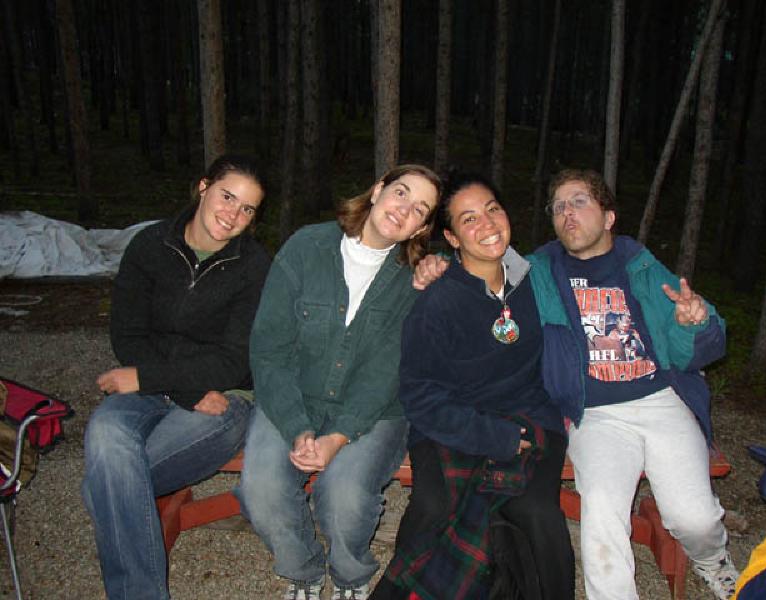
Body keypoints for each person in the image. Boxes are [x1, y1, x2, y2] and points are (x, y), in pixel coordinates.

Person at [413, 168, 739, 600]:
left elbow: (694, 350)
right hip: (593, 412)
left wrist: (693, 323)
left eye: (580, 201)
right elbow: (477, 261)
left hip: (661, 400)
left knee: (694, 519)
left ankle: (712, 558)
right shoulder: (537, 267)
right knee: (601, 518)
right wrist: (437, 263)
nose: (568, 213)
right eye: (559, 206)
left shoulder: (640, 265)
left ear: (608, 217)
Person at [237, 164, 441, 600]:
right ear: (378, 188)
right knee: (262, 488)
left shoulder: (414, 278)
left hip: (376, 410)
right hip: (294, 395)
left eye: (419, 208)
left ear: (421, 227)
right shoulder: (307, 246)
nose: (404, 209)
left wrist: (338, 435)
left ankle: (351, 576)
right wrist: (296, 426)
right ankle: (303, 570)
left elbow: (388, 371)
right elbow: (269, 348)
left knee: (344, 496)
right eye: (401, 193)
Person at [371, 172, 574, 600]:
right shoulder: (438, 299)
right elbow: (420, 396)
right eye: (469, 219)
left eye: (492, 210)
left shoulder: (538, 278)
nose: (486, 225)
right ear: (452, 236)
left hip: (531, 420)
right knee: (435, 506)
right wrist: (493, 437)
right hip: (452, 422)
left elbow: (589, 254)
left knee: (537, 513)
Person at [81, 154, 270, 600]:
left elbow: (234, 362)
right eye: (228, 197)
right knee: (107, 434)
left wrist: (146, 378)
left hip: (222, 399)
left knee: (105, 486)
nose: (234, 215)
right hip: (158, 388)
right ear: (203, 187)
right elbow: (128, 333)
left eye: (247, 209)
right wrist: (172, 386)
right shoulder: (151, 245)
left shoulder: (255, 265)